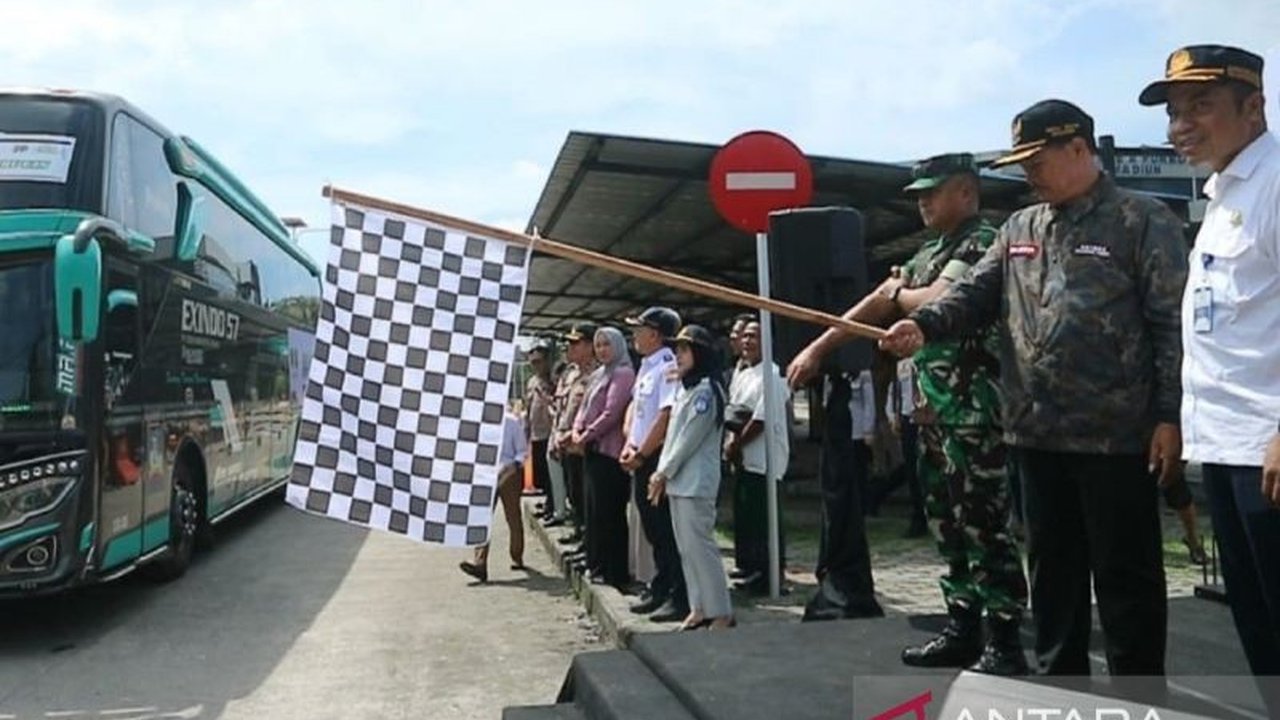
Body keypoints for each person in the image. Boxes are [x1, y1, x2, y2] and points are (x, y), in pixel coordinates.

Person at [880, 100, 1187, 682]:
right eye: (1020, 162)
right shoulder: (1021, 227)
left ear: (1079, 149)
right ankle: (1062, 688)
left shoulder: (1142, 220)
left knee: (1126, 584)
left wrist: (1169, 416)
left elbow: (1170, 325)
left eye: (1036, 159)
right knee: (1053, 580)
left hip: (1116, 439)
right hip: (1033, 435)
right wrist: (924, 325)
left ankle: (1141, 696)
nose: (1027, 173)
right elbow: (974, 293)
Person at [1139, 44, 1280, 712]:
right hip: (1226, 447)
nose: (1181, 125)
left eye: (1201, 105)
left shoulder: (1276, 184)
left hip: (1268, 447)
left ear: (1254, 107)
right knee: (1258, 629)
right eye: (1173, 112)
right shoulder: (1225, 194)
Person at [879, 153, 1030, 675]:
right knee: (948, 524)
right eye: (918, 192)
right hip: (933, 412)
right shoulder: (927, 252)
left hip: (974, 408)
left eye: (932, 191)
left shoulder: (982, 241)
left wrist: (899, 292)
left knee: (984, 523)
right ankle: (963, 626)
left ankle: (1005, 639)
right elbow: (893, 301)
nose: (922, 201)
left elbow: (935, 300)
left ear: (966, 190)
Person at [648, 324, 735, 631]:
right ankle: (699, 607)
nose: (678, 356)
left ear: (700, 353)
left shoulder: (706, 392)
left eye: (684, 350)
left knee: (701, 547)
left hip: (695, 481)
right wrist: (664, 473)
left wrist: (661, 472)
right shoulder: (687, 389)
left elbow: (688, 439)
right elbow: (673, 438)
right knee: (686, 548)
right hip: (680, 482)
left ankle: (720, 612)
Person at [621, 307, 689, 623]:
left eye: (640, 329)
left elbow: (665, 416)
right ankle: (662, 587)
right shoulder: (647, 366)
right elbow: (636, 409)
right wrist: (629, 443)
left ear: (656, 335)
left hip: (654, 458)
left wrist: (643, 453)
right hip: (639, 454)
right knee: (652, 528)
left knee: (664, 530)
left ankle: (678, 595)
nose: (635, 335)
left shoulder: (666, 367)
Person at [723, 318, 791, 594]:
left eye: (755, 337)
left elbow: (761, 419)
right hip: (743, 458)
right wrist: (731, 443)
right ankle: (751, 567)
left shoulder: (772, 375)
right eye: (746, 337)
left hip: (764, 458)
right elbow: (733, 413)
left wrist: (737, 444)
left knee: (766, 519)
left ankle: (769, 574)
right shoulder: (743, 373)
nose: (748, 342)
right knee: (748, 517)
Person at [569, 326, 635, 589]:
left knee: (611, 515)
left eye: (607, 344)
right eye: (598, 345)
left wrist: (584, 436)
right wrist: (576, 430)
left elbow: (611, 413)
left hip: (610, 454)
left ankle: (615, 572)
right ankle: (596, 564)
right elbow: (584, 408)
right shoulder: (598, 374)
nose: (602, 349)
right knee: (593, 512)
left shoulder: (623, 374)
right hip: (592, 453)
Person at [459, 405, 527, 583]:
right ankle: (479, 563)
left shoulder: (512, 422)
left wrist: (513, 466)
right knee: (482, 518)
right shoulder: (479, 424)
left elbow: (522, 450)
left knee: (513, 516)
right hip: (486, 474)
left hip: (509, 472)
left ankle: (517, 555)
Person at [551, 323, 598, 538]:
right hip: (566, 443)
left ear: (590, 346)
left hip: (584, 444)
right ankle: (581, 535)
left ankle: (590, 541)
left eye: (575, 343)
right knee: (574, 494)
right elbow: (563, 410)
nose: (570, 348)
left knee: (587, 498)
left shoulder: (597, 375)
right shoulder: (571, 374)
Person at [524, 343, 554, 503]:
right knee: (540, 473)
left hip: (549, 432)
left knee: (551, 473)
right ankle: (548, 501)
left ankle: (553, 503)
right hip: (536, 432)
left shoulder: (553, 380)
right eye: (533, 362)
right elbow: (528, 406)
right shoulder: (532, 382)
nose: (536, 366)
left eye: (539, 361)